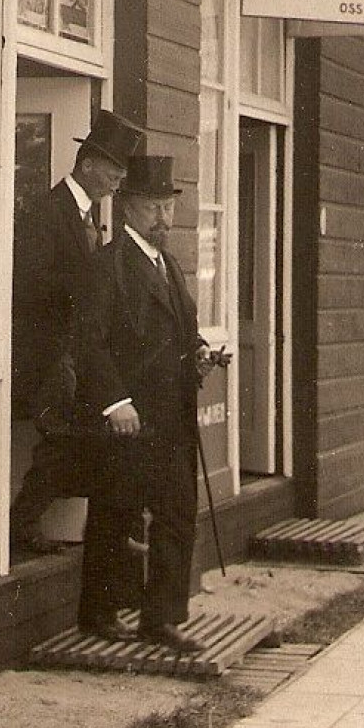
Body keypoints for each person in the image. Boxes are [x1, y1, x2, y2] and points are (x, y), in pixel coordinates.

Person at [80, 153, 214, 650]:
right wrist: (115, 402)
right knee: (116, 513)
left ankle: (161, 618)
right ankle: (98, 612)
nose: (164, 218)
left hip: (173, 413)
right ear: (129, 206)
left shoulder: (169, 264)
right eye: (153, 208)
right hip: (131, 416)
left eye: (169, 207)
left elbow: (184, 327)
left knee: (178, 512)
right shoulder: (110, 264)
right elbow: (88, 342)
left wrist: (197, 352)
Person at [7, 110, 141, 558]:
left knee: (71, 443)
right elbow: (28, 282)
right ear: (88, 165)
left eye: (122, 173)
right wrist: (85, 284)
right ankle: (20, 524)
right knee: (63, 443)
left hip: (73, 353)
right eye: (113, 170)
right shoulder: (50, 212)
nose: (118, 181)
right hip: (48, 352)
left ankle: (32, 523)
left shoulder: (87, 216)